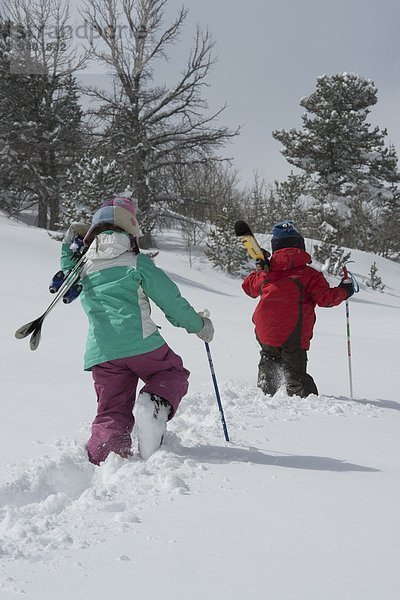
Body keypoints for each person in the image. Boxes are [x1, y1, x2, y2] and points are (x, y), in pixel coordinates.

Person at [59, 196, 214, 464]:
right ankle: (153, 403)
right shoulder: (136, 262)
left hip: (102, 352)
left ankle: (105, 457)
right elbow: (171, 302)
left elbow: (65, 269)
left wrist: (67, 243)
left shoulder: (82, 267)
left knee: (111, 410)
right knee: (172, 372)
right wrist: (199, 325)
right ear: (131, 230)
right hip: (141, 342)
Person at [241, 221, 354, 398]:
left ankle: (266, 392)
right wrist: (345, 290)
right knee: (295, 374)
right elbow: (325, 299)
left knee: (269, 362)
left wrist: (259, 270)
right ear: (300, 247)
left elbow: (248, 288)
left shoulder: (267, 272)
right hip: (293, 334)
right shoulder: (309, 275)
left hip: (266, 330)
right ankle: (304, 402)